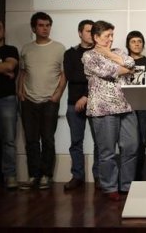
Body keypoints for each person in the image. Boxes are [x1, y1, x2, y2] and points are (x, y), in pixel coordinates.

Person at [82, 20, 139, 201]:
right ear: (96, 37)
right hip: (103, 109)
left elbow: (132, 63)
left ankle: (127, 184)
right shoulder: (88, 56)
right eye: (107, 36)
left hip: (125, 106)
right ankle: (109, 187)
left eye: (112, 35)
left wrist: (111, 55)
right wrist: (124, 68)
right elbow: (112, 71)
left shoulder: (118, 52)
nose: (111, 39)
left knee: (131, 145)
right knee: (107, 151)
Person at [18, 12, 66, 190]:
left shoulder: (60, 48)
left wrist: (57, 95)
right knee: (31, 140)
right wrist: (20, 92)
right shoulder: (26, 48)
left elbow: (63, 74)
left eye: (47, 25)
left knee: (47, 139)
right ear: (33, 28)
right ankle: (33, 175)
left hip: (49, 101)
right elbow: (22, 73)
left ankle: (47, 175)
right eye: (41, 25)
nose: (45, 28)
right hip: (28, 100)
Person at [63, 20, 100, 191]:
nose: (91, 34)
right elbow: (72, 75)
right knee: (75, 142)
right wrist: (87, 77)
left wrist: (86, 95)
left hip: (96, 102)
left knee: (100, 142)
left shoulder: (100, 52)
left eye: (93, 31)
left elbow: (98, 78)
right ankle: (77, 176)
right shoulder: (70, 53)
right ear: (80, 33)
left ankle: (99, 177)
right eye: (87, 31)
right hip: (73, 103)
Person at [126, 30, 146, 181]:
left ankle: (138, 176)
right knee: (128, 143)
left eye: (139, 41)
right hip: (126, 107)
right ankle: (127, 176)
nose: (137, 44)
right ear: (128, 44)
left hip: (145, 107)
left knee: (142, 142)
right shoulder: (122, 61)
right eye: (133, 41)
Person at [0, 19, 19, 189]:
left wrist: (7, 67)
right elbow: (5, 68)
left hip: (7, 99)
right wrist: (2, 68)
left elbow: (10, 65)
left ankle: (10, 175)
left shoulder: (11, 50)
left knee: (9, 140)